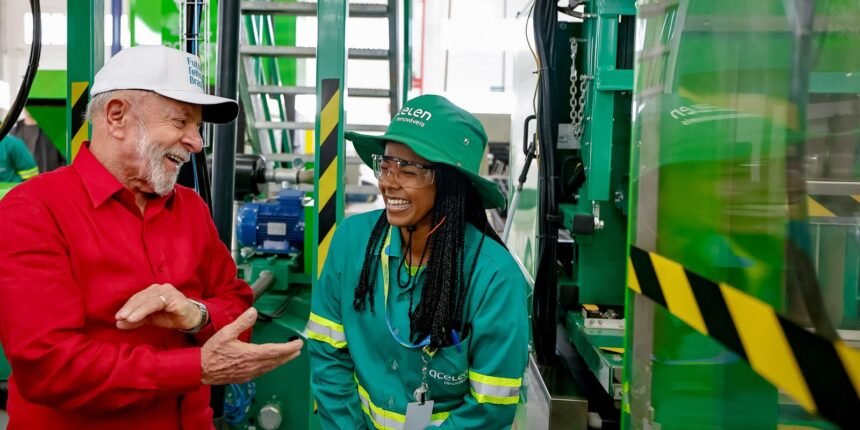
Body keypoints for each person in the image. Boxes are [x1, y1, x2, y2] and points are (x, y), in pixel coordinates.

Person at [0, 45, 303, 429]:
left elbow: (238, 309)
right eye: (180, 122)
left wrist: (197, 315)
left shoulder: (190, 209)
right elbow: (51, 367)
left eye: (197, 127)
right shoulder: (34, 210)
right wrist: (196, 367)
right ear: (116, 116)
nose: (197, 142)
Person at [309, 95, 529, 429]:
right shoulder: (352, 243)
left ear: (451, 184)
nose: (387, 182)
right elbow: (328, 355)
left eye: (408, 170)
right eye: (385, 166)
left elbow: (490, 408)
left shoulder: (493, 278)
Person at [11, 108, 66, 172]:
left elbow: (65, 160)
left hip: (49, 180)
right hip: (22, 181)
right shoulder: (13, 134)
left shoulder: (55, 131)